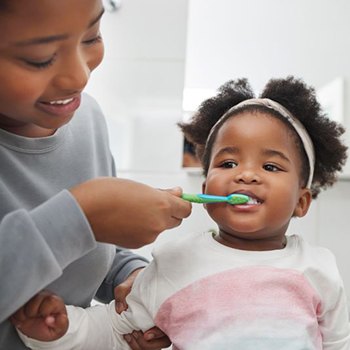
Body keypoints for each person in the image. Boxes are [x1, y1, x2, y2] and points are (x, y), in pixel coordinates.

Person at [13, 77, 350, 349]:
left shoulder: (318, 270)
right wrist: (57, 330)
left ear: (302, 202)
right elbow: (114, 332)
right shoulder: (174, 264)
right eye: (228, 163)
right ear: (206, 186)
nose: (246, 174)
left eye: (271, 165)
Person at [0, 1, 191, 349]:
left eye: (91, 37)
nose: (80, 77)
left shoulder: (86, 117)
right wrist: (82, 216)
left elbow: (93, 251)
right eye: (41, 57)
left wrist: (130, 276)